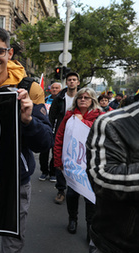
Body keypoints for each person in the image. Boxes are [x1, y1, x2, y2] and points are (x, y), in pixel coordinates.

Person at [0, 28, 53, 253]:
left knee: (13, 242)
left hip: (17, 180)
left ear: (9, 53)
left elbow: (44, 142)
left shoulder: (30, 89)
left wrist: (28, 120)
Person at [85, 72, 139, 253]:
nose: (84, 100)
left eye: (87, 98)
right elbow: (101, 179)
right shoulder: (112, 124)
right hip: (122, 252)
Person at [53, 88, 103, 238]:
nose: (82, 99)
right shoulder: (69, 116)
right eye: (80, 97)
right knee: (72, 193)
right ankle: (72, 219)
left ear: (92, 100)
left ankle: (90, 226)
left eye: (86, 97)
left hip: (93, 164)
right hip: (73, 163)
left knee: (90, 197)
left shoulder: (101, 117)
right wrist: (58, 160)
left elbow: (103, 136)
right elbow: (60, 137)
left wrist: (84, 122)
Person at [49, 71, 81, 204]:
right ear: (66, 82)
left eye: (74, 80)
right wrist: (50, 132)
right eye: (69, 80)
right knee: (60, 161)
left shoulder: (82, 98)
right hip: (61, 135)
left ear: (78, 82)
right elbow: (52, 117)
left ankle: (77, 189)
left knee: (77, 161)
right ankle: (61, 190)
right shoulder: (59, 98)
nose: (72, 82)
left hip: (79, 135)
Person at [39, 82, 62, 182]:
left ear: (60, 90)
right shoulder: (44, 100)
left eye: (57, 88)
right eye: (53, 88)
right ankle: (44, 171)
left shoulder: (62, 101)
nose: (54, 90)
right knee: (44, 152)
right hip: (44, 130)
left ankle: (53, 172)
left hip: (57, 130)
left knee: (55, 152)